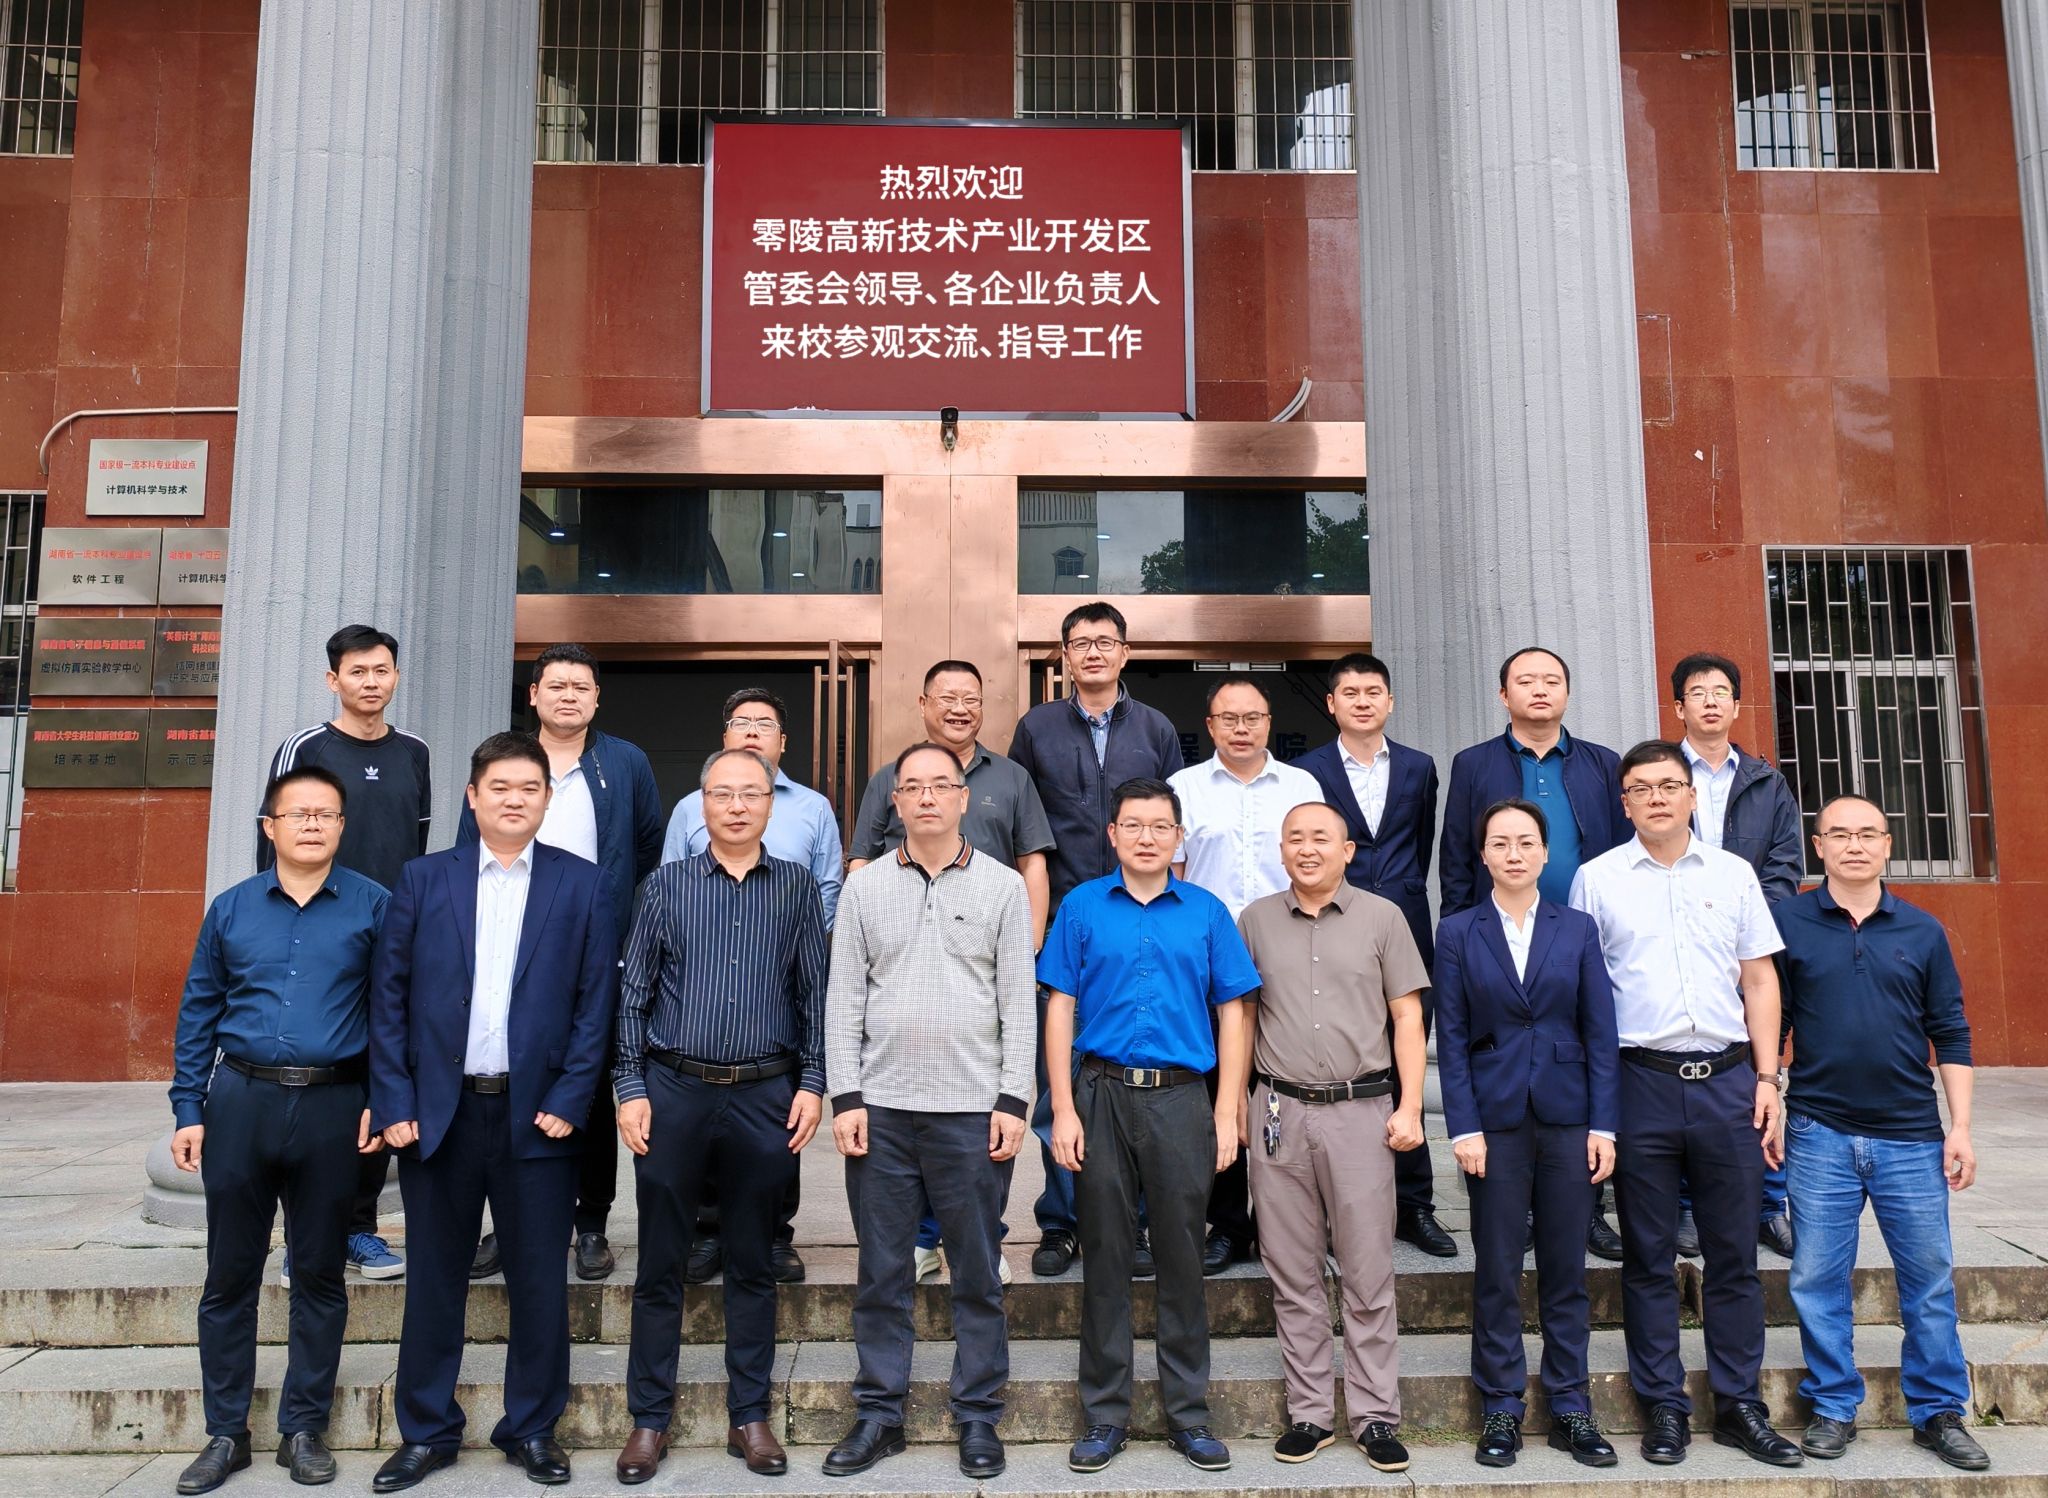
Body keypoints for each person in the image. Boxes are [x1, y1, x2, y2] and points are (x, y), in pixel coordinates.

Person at [366, 733, 617, 1492]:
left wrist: (571, 1097)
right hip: (438, 1116)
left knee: (539, 1282)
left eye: (529, 788)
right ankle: (426, 1431)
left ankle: (532, 1428)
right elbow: (388, 997)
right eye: (499, 787)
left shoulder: (583, 883)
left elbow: (595, 1004)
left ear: (547, 800)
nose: (514, 799)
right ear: (473, 797)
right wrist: (394, 1099)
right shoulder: (423, 879)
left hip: (537, 1117)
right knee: (433, 1281)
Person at [1569, 740, 1800, 1469]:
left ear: (1692, 796)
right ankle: (1663, 1405)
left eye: (1670, 785)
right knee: (1647, 1256)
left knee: (1734, 1254)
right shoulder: (1596, 880)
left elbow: (1759, 980)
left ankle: (1738, 1405)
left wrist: (1768, 1080)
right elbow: (1585, 994)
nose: (1658, 798)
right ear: (1625, 803)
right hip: (1640, 1082)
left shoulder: (1733, 874)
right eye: (1641, 788)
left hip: (1730, 1082)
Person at [168, 767, 389, 1495]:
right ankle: (225, 1433)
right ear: (270, 826)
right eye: (298, 814)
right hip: (242, 1102)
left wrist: (383, 1099)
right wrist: (188, 1108)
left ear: (342, 826)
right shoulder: (232, 908)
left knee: (320, 1273)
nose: (312, 824)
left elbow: (394, 1013)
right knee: (229, 1275)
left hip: (334, 1106)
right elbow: (198, 1010)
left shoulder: (374, 906)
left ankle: (304, 1428)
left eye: (326, 814)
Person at [612, 747, 828, 1484]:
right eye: (722, 794)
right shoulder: (665, 886)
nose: (736, 806)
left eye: (751, 794)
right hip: (673, 1091)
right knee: (660, 1264)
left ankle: (750, 1416)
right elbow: (633, 996)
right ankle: (648, 1420)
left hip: (766, 1095)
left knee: (752, 1261)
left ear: (771, 803)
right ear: (701, 804)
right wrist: (629, 1086)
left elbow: (813, 994)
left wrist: (813, 1083)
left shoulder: (796, 887)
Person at [824, 743, 1037, 1480]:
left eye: (939, 785)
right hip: (881, 1111)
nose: (925, 797)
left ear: (962, 798)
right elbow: (844, 997)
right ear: (895, 801)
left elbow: (1018, 1000)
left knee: (975, 1271)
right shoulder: (864, 888)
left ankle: (978, 1414)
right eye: (911, 786)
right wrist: (846, 1096)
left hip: (971, 1113)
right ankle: (879, 1413)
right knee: (882, 1272)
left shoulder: (1005, 886)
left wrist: (1013, 1099)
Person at [1043, 778, 1256, 1475]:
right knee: (1105, 1254)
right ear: (1112, 834)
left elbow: (1233, 1012)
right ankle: (1106, 1414)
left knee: (1181, 1256)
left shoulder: (1206, 912)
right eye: (1132, 825)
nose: (1146, 837)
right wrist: (1063, 1107)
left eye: (1160, 826)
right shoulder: (1081, 907)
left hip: (1181, 1099)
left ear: (1178, 837)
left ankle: (1188, 1415)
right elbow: (1059, 1006)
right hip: (1100, 1093)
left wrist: (1227, 1110)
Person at [1776, 794, 1987, 1472]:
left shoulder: (1922, 930)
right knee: (1817, 1277)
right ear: (1818, 847)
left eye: (1868, 834)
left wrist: (1960, 1128)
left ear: (1888, 845)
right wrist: (1767, 1093)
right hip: (1819, 1130)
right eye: (1839, 835)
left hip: (1911, 1136)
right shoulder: (1788, 922)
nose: (1855, 845)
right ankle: (1833, 1405)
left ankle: (1939, 1412)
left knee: (1928, 1279)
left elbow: (1950, 1031)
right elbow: (1771, 1019)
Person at [1237, 802, 1428, 1473]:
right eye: (1295, 838)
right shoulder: (1255, 920)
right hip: (1278, 1110)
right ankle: (1311, 1413)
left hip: (1361, 1111)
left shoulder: (1383, 917)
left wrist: (1411, 1107)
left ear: (1348, 850)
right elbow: (1242, 1017)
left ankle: (1375, 1416)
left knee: (1367, 1270)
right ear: (1280, 849)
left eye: (1321, 838)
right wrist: (1236, 1105)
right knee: (1292, 1271)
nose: (1307, 848)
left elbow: (1408, 1017)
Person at [847, 659, 1053, 1281]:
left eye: (972, 697)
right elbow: (861, 861)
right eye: (947, 697)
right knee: (910, 1117)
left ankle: (981, 1241)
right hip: (905, 962)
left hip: (983, 961)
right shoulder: (891, 777)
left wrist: (1026, 949)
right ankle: (919, 1240)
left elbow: (1032, 862)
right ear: (923, 704)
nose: (960, 708)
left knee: (979, 1119)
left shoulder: (1013, 777)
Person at [463, 643, 662, 1284]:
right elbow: (469, 847)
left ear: (597, 698)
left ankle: (591, 1221)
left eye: (581, 686)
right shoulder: (506, 758)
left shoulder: (625, 761)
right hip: (507, 941)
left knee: (593, 1082)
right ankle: (508, 1220)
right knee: (512, 1076)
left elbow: (646, 845)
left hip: (594, 944)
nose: (568, 695)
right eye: (556, 685)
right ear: (534, 695)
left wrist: (613, 916)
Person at [1435, 798, 1619, 1469]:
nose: (1513, 854)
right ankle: (1501, 1406)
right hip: (1495, 1120)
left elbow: (1601, 1032)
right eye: (1500, 843)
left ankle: (1571, 1406)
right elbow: (1452, 1037)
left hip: (1570, 1118)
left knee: (1567, 1269)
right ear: (1483, 854)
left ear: (1545, 853)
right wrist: (1463, 1127)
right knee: (1497, 1268)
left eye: (1525, 842)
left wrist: (1604, 1125)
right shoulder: (1458, 931)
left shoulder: (1578, 928)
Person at [1008, 602, 1184, 1277]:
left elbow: (1172, 826)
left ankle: (1132, 1224)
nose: (1093, 652)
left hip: (1142, 920)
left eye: (1105, 642)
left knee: (1133, 1076)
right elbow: (1024, 829)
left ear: (1124, 652)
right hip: (1066, 922)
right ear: (1064, 655)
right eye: (1080, 643)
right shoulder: (1037, 728)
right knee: (1059, 1081)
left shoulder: (1156, 728)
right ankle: (1061, 1223)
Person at [1442, 646, 1627, 1261]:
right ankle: (1511, 1208)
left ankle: (1587, 1210)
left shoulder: (1601, 763)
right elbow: (1457, 858)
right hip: (1496, 942)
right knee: (1503, 1064)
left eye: (1552, 680)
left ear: (1568, 692)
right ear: (1504, 695)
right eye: (1526, 681)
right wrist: (1459, 934)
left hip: (1579, 939)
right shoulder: (1474, 764)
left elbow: (1617, 850)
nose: (1540, 689)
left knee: (1576, 1060)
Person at [260, 623, 429, 1284]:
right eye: (357, 671)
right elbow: (273, 846)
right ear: (333, 680)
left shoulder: (414, 752)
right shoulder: (305, 748)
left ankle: (361, 1228)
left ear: (396, 677)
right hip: (316, 940)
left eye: (381, 670)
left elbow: (415, 852)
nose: (370, 682)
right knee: (309, 1088)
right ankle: (304, 1237)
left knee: (378, 1082)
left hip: (390, 944)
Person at [662, 686, 842, 1285]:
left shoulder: (813, 807)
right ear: (724, 738)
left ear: (783, 742)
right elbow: (669, 881)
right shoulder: (691, 806)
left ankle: (774, 1233)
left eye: (765, 724)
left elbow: (828, 886)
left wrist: (802, 948)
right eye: (741, 722)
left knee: (778, 1113)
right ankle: (709, 1231)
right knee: (706, 1104)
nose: (752, 732)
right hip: (703, 975)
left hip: (782, 973)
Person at [1297, 652, 1451, 1258]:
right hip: (1335, 927)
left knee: (1405, 1064)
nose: (1362, 702)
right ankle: (1337, 1207)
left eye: (1373, 692)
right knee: (1344, 1065)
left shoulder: (1419, 766)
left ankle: (1414, 1206)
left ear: (1390, 701)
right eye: (1350, 693)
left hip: (1406, 924)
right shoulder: (1306, 771)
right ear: (1331, 703)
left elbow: (1420, 845)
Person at [1167, 674, 1320, 1275]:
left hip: (1289, 949)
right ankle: (1228, 1224)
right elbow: (1176, 877)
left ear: (1268, 723)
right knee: (1218, 1089)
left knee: (1285, 1081)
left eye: (1252, 718)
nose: (1241, 728)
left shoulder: (1301, 785)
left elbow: (1318, 862)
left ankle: (1289, 1220)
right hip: (1208, 956)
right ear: (1210, 726)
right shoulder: (1184, 787)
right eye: (1228, 718)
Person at [1670, 652, 1804, 1261]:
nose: (1710, 701)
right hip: (1676, 948)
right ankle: (1688, 1207)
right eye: (1698, 692)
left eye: (1721, 691)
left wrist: (1740, 927)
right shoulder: (1660, 773)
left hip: (1750, 950)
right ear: (1680, 707)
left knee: (1760, 1070)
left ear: (1736, 704)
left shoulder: (1766, 782)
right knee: (1681, 1074)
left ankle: (1770, 1205)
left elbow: (1784, 867)